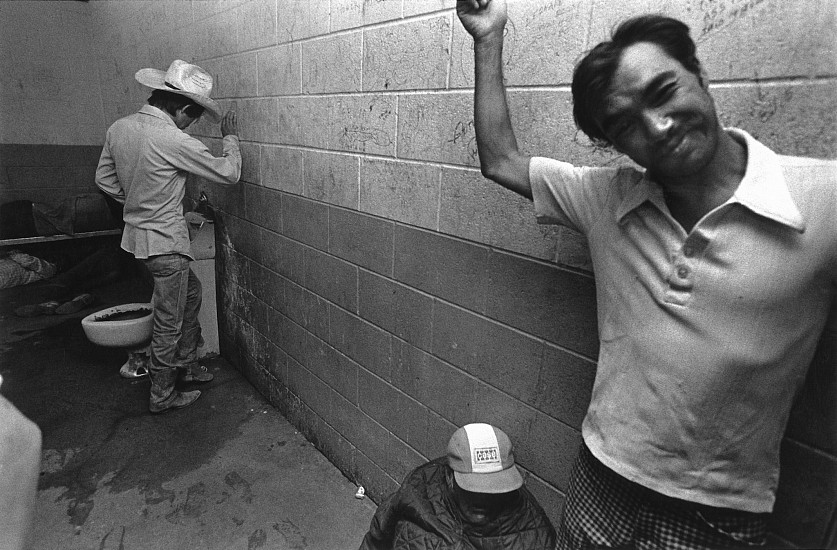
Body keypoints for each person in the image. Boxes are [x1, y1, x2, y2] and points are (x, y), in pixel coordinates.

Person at [456, 1, 837, 548]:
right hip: (601, 478)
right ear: (615, 145)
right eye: (626, 125)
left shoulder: (820, 203)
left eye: (663, 92)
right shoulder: (604, 198)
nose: (657, 127)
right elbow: (500, 159)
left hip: (715, 513)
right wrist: (489, 37)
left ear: (700, 76)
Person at [96, 59, 242, 413]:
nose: (191, 126)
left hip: (140, 242)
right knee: (169, 320)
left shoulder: (120, 128)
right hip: (166, 245)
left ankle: (187, 364)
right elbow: (229, 173)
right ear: (179, 108)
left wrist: (139, 204)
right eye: (192, 118)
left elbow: (104, 180)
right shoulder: (172, 139)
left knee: (189, 296)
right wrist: (230, 139)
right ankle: (163, 395)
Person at [359, 423, 556, 549]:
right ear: (449, 477)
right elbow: (377, 538)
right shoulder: (419, 488)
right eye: (473, 489)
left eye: (493, 489)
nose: (483, 501)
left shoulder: (533, 527)